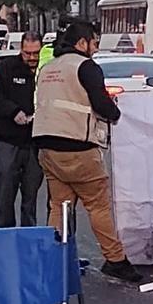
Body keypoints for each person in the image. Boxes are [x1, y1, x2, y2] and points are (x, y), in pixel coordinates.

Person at [33, 20, 143, 284]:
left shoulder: (48, 68)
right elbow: (102, 104)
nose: (95, 48)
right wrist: (116, 113)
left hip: (46, 146)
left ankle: (53, 259)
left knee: (58, 206)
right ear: (82, 43)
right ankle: (116, 260)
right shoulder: (86, 67)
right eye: (93, 43)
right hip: (79, 146)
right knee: (98, 206)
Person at [0, 32, 43, 227]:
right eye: (28, 54)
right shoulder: (6, 68)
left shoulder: (46, 69)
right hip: (9, 140)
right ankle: (4, 233)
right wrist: (13, 112)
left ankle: (29, 236)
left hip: (36, 142)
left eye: (36, 53)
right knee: (5, 194)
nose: (32, 58)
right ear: (21, 50)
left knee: (31, 196)